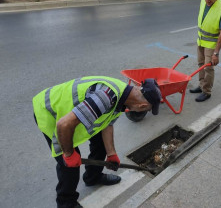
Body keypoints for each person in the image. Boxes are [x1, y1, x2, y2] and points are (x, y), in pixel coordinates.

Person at [32, 76, 162, 208]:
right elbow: (63, 125)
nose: (142, 112)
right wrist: (69, 154)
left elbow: (107, 125)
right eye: (146, 110)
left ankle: (92, 177)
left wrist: (111, 154)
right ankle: (66, 203)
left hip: (69, 117)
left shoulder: (124, 97)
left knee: (100, 143)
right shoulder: (106, 97)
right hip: (50, 111)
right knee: (69, 166)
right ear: (142, 105)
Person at [190, 0, 221, 102]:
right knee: (200, 65)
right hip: (201, 41)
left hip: (212, 44)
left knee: (208, 68)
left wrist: (216, 53)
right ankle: (202, 85)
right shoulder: (203, 0)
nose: (207, 0)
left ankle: (206, 91)